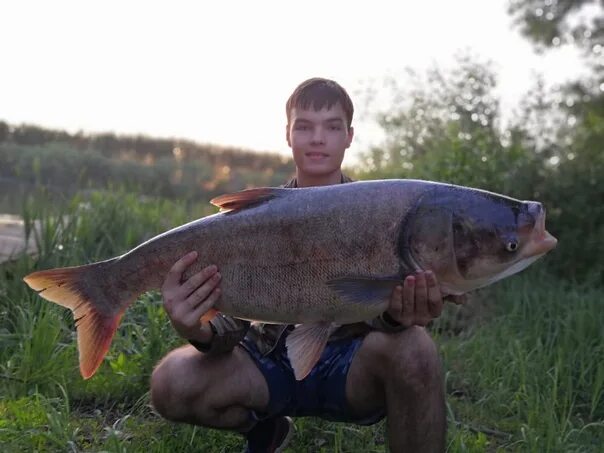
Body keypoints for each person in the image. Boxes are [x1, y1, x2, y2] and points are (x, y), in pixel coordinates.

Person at [151, 78, 455, 453]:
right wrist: (196, 327)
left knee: (417, 350)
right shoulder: (255, 220)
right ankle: (266, 429)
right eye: (305, 126)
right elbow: (229, 331)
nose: (317, 138)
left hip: (348, 368)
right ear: (288, 134)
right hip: (268, 366)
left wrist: (396, 316)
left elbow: (381, 312)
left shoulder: (379, 214)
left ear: (349, 136)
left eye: (332, 127)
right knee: (171, 381)